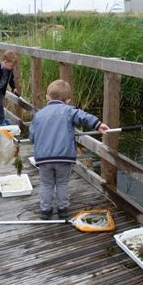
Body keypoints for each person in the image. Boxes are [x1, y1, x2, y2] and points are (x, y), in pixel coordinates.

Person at [29, 79, 109, 219]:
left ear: (47, 97)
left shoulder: (38, 115)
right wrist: (98, 124)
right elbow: (83, 116)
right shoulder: (69, 110)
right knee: (62, 183)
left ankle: (45, 211)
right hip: (64, 157)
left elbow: (32, 137)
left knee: (47, 184)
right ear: (68, 100)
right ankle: (63, 210)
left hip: (43, 158)